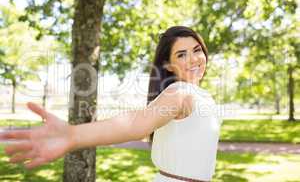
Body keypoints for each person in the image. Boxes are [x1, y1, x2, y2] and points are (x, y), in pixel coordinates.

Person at [0, 26, 222, 182]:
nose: (193, 59)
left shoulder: (203, 96)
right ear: (169, 66)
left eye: (196, 50)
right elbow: (136, 124)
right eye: (181, 55)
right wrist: (73, 135)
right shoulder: (180, 93)